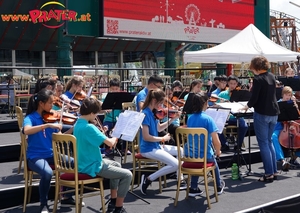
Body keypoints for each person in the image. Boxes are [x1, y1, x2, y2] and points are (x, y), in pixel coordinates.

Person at [73, 97, 132, 213]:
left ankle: (113, 201)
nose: (96, 116)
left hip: (82, 162)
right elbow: (110, 143)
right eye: (95, 114)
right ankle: (119, 208)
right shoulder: (89, 127)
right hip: (92, 165)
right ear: (91, 113)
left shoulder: (77, 125)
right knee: (128, 175)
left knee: (116, 164)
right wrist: (117, 133)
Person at [23, 89, 77, 213]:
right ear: (41, 104)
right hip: (35, 156)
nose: (53, 106)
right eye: (50, 103)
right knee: (47, 173)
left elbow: (59, 135)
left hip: (52, 154)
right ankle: (43, 204)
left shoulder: (51, 117)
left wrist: (73, 128)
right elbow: (26, 130)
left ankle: (66, 196)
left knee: (76, 163)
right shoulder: (31, 118)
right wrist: (46, 126)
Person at [241, 56, 280, 182]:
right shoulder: (272, 76)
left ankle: (268, 173)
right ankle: (273, 171)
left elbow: (255, 97)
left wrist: (247, 106)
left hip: (262, 113)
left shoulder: (257, 79)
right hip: (274, 112)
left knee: (263, 143)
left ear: (256, 67)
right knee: (269, 142)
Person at [139, 89, 185, 195]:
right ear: (154, 100)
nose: (161, 105)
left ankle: (180, 178)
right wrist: (162, 139)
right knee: (176, 164)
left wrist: (172, 119)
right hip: (148, 148)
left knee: (180, 151)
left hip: (156, 146)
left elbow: (159, 128)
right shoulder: (145, 114)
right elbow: (146, 137)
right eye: (160, 102)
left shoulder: (153, 112)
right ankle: (149, 178)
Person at [186, 92, 225, 196]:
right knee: (214, 163)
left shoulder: (190, 118)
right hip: (205, 156)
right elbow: (216, 141)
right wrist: (218, 151)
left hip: (191, 155)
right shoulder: (208, 119)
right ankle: (218, 185)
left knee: (197, 161)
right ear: (205, 103)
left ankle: (193, 187)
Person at [271, 86, 300, 171]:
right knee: (273, 137)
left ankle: (294, 158)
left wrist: (296, 107)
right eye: (286, 95)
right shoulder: (278, 104)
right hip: (280, 127)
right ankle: (282, 160)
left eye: (289, 95)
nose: (288, 97)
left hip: (292, 127)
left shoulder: (292, 103)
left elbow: (297, 117)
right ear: (283, 95)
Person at [218, 75, 248, 152]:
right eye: (231, 83)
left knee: (244, 126)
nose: (232, 85)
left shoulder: (240, 94)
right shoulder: (222, 94)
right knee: (216, 126)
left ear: (237, 84)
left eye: (234, 83)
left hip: (236, 116)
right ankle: (224, 144)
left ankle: (238, 145)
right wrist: (222, 104)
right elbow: (217, 107)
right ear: (228, 83)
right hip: (225, 117)